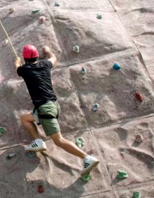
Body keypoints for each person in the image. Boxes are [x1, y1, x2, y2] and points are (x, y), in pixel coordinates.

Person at [15, 44, 99, 175]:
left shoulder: (24, 70)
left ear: (25, 59)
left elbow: (17, 68)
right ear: (37, 56)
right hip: (53, 106)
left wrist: (17, 61)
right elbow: (54, 58)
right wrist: (48, 51)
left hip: (45, 109)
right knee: (25, 119)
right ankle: (38, 141)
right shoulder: (45, 65)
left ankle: (87, 158)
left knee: (59, 140)